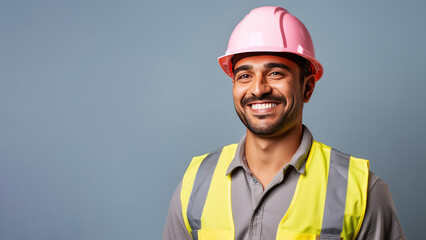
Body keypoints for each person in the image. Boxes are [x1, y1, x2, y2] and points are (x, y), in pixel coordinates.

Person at [163, 6, 405, 240]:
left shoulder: (361, 190)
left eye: (275, 73)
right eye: (245, 76)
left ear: (307, 87)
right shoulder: (196, 182)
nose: (258, 89)